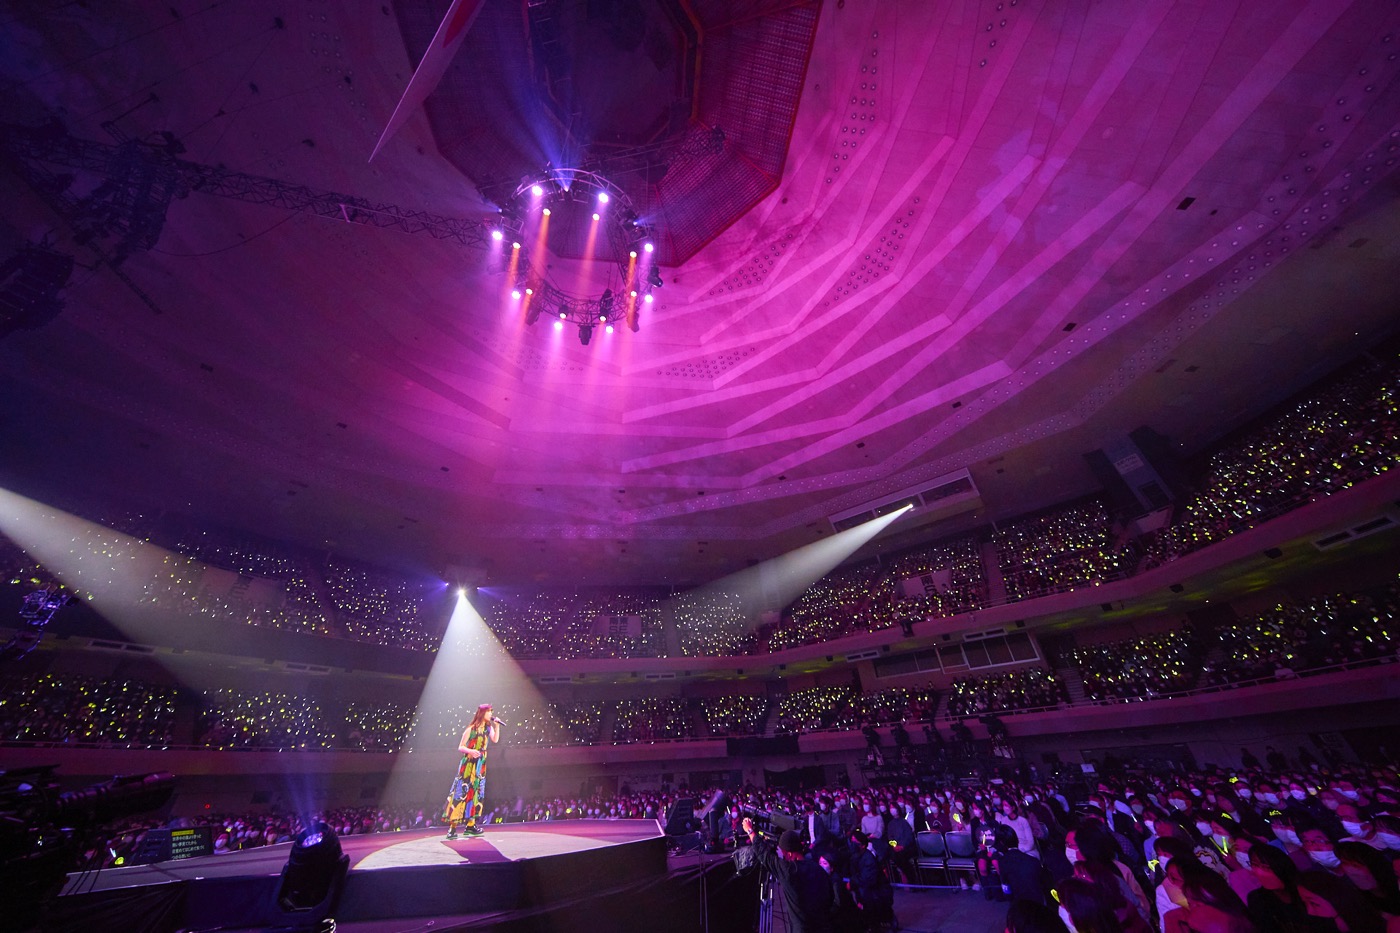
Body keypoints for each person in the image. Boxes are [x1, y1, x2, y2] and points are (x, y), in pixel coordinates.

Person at [741, 817, 836, 933]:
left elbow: (765, 855)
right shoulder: (817, 868)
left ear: (789, 854)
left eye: (783, 853)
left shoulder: (788, 871)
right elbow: (830, 897)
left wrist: (750, 831)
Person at [444, 703, 501, 839]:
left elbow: (495, 739)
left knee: (476, 793)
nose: (491, 714)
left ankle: (471, 825)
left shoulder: (488, 728)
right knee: (461, 793)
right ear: (482, 713)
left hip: (480, 765)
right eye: (489, 712)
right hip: (468, 764)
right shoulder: (471, 729)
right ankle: (452, 828)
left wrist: (497, 726)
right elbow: (461, 747)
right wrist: (470, 751)